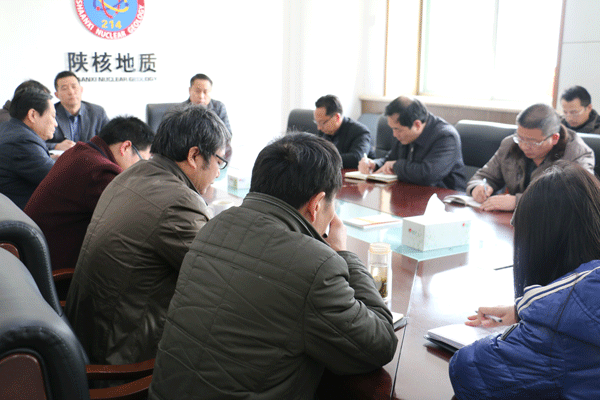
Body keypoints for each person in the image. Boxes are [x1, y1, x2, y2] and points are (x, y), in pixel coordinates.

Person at [148, 132, 398, 400]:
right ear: (316, 204)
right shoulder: (315, 266)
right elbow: (380, 343)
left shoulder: (214, 227)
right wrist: (342, 252)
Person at [65, 106, 230, 365]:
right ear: (194, 156)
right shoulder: (179, 202)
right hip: (122, 359)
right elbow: (221, 280)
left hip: (90, 335)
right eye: (219, 162)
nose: (218, 173)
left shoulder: (130, 175)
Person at [449, 162, 600, 399]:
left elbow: (468, 369)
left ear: (540, 242)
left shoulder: (555, 340)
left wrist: (541, 317)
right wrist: (528, 311)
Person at [24, 116, 155, 272]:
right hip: (55, 270)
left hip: (34, 257)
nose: (142, 169)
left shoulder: (80, 152)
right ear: (125, 147)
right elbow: (132, 222)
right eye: (143, 161)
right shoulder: (101, 171)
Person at [467, 103, 594, 211]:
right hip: (514, 221)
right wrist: (478, 187)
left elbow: (576, 198)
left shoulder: (577, 154)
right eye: (520, 138)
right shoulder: (510, 144)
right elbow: (484, 176)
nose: (524, 146)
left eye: (533, 142)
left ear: (555, 138)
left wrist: (518, 202)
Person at [358, 96, 466, 190]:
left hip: (443, 200)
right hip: (409, 194)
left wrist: (395, 166)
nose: (394, 134)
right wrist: (375, 164)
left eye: (397, 129)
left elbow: (428, 175)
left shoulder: (446, 137)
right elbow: (391, 160)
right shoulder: (402, 133)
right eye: (392, 129)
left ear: (417, 125)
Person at [0, 84, 57, 209]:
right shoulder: (22, 142)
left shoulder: (8, 128)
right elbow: (60, 179)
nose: (56, 124)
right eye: (53, 116)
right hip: (25, 215)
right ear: (32, 115)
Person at [47, 71, 109, 151]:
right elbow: (37, 142)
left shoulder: (98, 112)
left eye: (74, 87)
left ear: (81, 89)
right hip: (61, 158)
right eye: (64, 88)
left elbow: (111, 140)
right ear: (57, 95)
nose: (71, 92)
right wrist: (56, 146)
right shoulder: (49, 113)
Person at [313, 94, 372, 168]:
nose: (319, 127)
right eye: (317, 123)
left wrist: (324, 158)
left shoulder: (360, 131)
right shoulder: (323, 131)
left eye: (322, 122)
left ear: (337, 117)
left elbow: (357, 158)